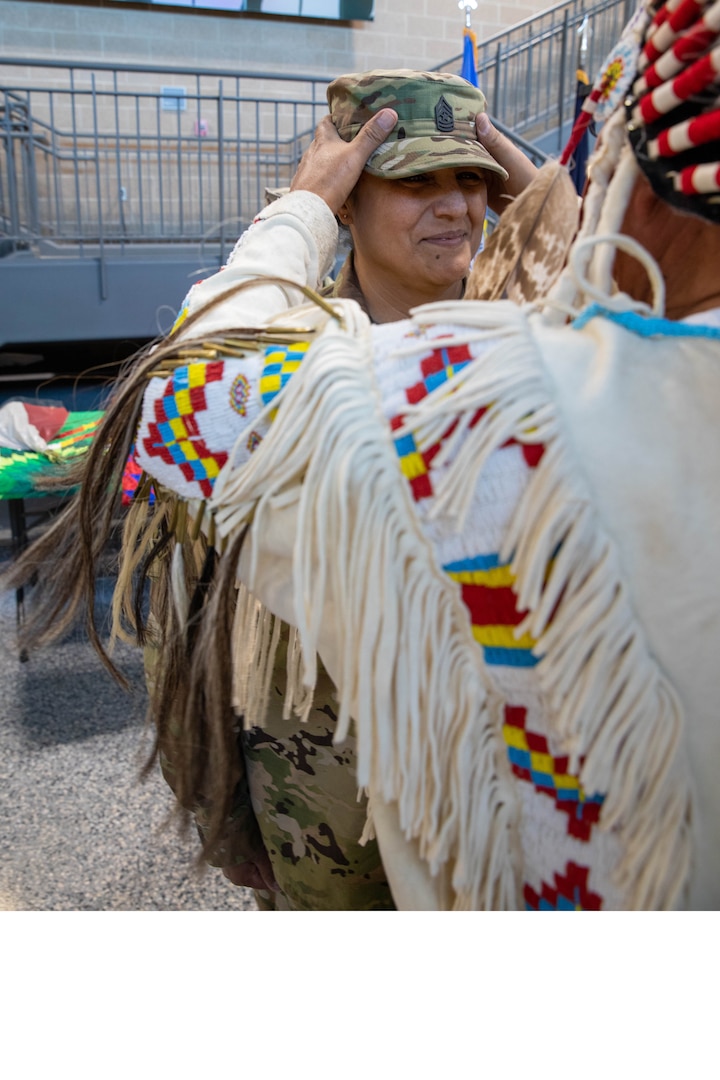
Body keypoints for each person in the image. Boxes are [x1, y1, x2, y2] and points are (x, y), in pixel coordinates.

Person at [1, 69, 539, 911]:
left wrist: (528, 186)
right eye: (414, 181)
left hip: (503, 784)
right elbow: (185, 609)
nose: (456, 205)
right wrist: (216, 803)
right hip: (328, 791)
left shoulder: (528, 340)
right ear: (346, 205)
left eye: (472, 179)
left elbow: (647, 286)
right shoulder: (289, 361)